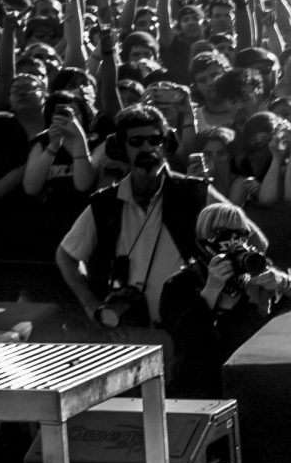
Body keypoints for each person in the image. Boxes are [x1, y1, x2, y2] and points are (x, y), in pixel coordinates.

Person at [55, 105, 226, 335]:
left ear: (167, 144)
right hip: (127, 332)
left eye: (155, 140)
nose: (148, 148)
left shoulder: (195, 193)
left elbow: (252, 240)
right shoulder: (106, 203)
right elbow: (66, 255)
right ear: (120, 149)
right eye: (136, 142)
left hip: (187, 331)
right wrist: (90, 304)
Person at [159, 201, 291, 396]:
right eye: (222, 232)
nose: (233, 240)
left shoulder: (257, 274)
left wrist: (286, 284)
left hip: (251, 389)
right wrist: (212, 289)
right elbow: (184, 338)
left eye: (241, 234)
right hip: (199, 392)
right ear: (204, 236)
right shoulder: (180, 284)